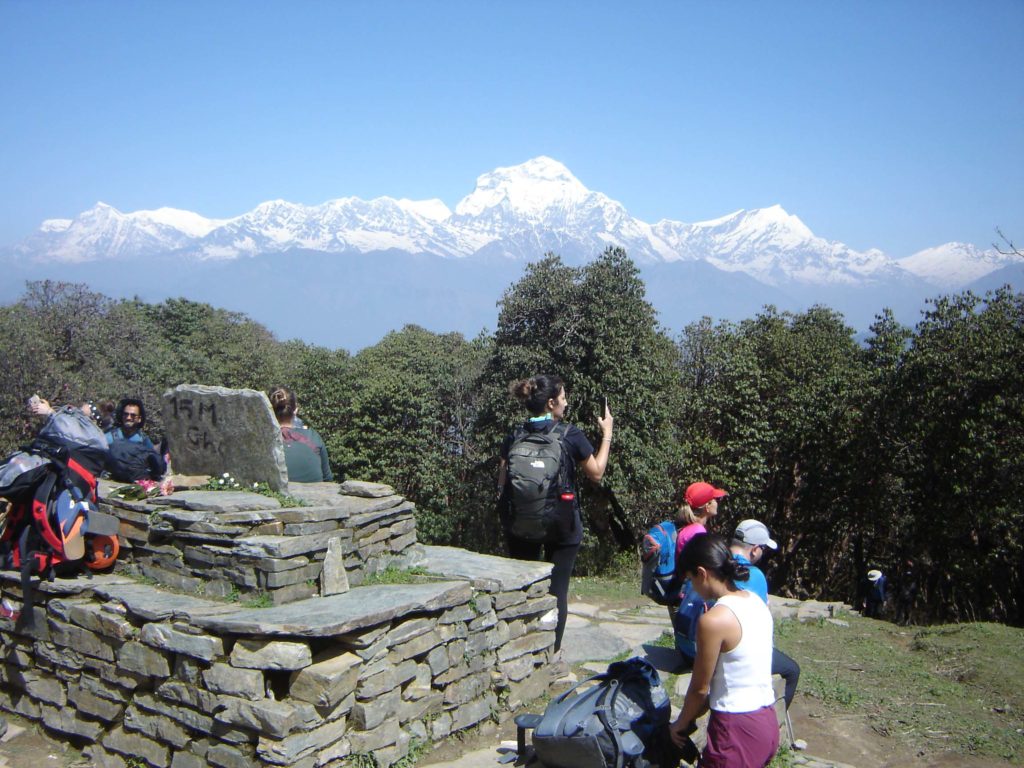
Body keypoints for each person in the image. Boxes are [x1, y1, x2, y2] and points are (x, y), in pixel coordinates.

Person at [497, 374, 613, 656]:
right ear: (551, 403)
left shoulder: (514, 434)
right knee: (557, 590)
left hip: (521, 523)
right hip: (562, 526)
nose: (566, 402)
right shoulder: (569, 434)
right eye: (563, 398)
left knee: (522, 588)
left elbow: (502, 482)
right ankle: (552, 654)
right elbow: (596, 472)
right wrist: (607, 433)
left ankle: (519, 647)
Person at [670, 534, 779, 767]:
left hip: (735, 729)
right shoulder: (755, 601)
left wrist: (681, 723)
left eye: (691, 579)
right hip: (766, 720)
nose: (693, 587)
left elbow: (700, 688)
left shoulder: (714, 620)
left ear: (702, 573)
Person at [729, 519, 803, 747]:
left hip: (704, 643)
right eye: (763, 549)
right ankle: (773, 726)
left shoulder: (716, 562)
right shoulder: (755, 576)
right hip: (741, 649)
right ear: (754, 549)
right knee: (792, 670)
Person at [671, 481, 727, 664]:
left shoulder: (688, 528)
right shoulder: (698, 532)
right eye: (715, 499)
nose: (718, 502)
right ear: (707, 506)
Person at [269, 386, 333, 483]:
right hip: (314, 495)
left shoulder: (261, 442)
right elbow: (327, 479)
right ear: (295, 410)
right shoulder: (313, 437)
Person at [105, 398, 165, 481]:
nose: (128, 418)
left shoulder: (144, 440)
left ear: (139, 419)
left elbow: (152, 458)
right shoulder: (109, 437)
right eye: (126, 414)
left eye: (133, 415)